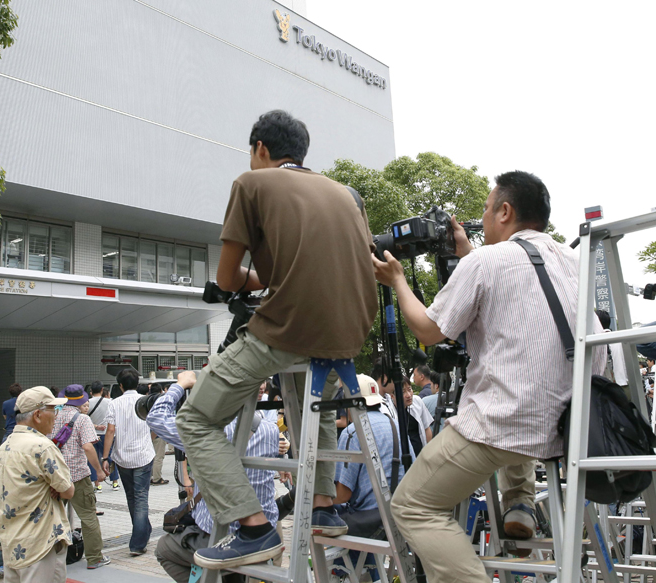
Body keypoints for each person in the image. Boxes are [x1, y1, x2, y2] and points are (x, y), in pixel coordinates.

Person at [372, 170, 606, 582]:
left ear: (505, 210)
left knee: (412, 504)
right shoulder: (572, 262)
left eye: (485, 208)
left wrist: (398, 280)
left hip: (508, 423)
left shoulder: (485, 262)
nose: (481, 217)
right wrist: (467, 254)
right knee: (512, 408)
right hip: (572, 426)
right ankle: (520, 505)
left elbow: (429, 330)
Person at [175, 110, 377, 569]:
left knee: (195, 419)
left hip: (288, 329)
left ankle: (253, 527)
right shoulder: (347, 195)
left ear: (261, 149)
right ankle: (323, 507)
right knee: (317, 408)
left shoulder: (252, 184)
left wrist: (244, 281)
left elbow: (229, 277)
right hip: (347, 334)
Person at [148, 371, 280, 582]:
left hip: (220, 532)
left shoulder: (205, 430)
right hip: (265, 530)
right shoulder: (270, 430)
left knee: (163, 549)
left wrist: (180, 385)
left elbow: (155, 417)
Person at [0, 386, 74, 582]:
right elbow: (68, 491)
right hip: (40, 541)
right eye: (54, 410)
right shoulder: (42, 446)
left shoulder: (6, 444)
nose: (57, 416)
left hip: (12, 539)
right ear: (38, 415)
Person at [333, 375, 405, 582]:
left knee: (326, 515)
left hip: (371, 519)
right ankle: (371, 575)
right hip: (399, 514)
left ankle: (344, 575)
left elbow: (343, 495)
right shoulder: (395, 425)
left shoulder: (352, 432)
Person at [49, 385, 110, 570]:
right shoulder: (82, 419)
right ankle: (95, 558)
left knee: (53, 519)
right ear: (82, 401)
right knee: (88, 516)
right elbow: (88, 447)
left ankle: (51, 560)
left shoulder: (53, 416)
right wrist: (98, 471)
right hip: (77, 476)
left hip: (56, 476)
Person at [102, 369, 155, 556]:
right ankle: (140, 539)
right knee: (141, 498)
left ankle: (140, 538)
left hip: (122, 457)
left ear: (120, 385)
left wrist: (105, 457)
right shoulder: (146, 401)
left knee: (132, 498)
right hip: (143, 455)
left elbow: (110, 431)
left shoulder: (114, 403)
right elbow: (155, 426)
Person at [88, 382, 119, 490]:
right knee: (110, 457)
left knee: (93, 458)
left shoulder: (88, 403)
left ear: (91, 391)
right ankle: (115, 482)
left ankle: (97, 484)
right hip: (108, 434)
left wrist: (95, 426)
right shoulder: (110, 402)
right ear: (102, 390)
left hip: (92, 434)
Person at [148, 384, 169, 486]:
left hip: (149, 432)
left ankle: (151, 476)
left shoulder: (147, 401)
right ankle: (157, 478)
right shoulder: (161, 402)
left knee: (151, 456)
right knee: (158, 457)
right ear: (160, 391)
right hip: (158, 433)